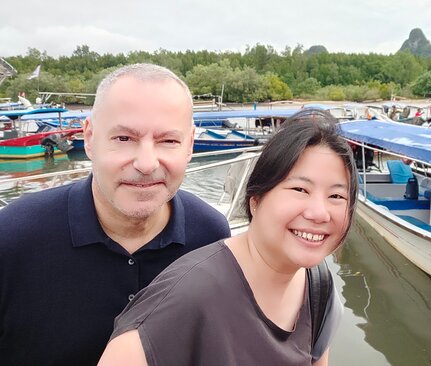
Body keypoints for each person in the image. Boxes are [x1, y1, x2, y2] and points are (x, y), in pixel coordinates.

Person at [0, 64, 231, 365]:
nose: (147, 163)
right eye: (124, 138)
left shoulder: (210, 238)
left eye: (168, 141)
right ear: (89, 137)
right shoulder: (13, 239)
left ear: (189, 145)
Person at [98, 109, 358, 366]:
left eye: (336, 196)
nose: (319, 213)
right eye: (300, 189)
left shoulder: (318, 287)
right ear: (256, 201)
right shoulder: (187, 298)